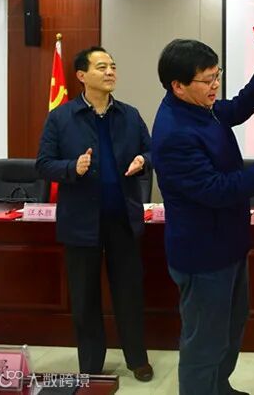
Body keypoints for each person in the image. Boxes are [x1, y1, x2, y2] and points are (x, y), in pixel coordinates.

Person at [151, 39, 254, 395]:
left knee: (230, 329)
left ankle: (220, 387)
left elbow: (237, 108)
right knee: (204, 343)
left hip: (228, 245)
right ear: (178, 85)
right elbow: (215, 189)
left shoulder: (201, 107)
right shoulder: (174, 132)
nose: (215, 86)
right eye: (207, 80)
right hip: (202, 256)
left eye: (217, 75)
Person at [36, 46, 154, 381]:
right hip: (81, 222)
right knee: (85, 297)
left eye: (113, 66)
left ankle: (137, 359)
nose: (110, 72)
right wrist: (72, 167)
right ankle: (90, 365)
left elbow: (153, 150)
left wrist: (144, 160)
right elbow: (43, 164)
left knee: (129, 293)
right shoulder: (61, 117)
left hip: (122, 219)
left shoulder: (129, 115)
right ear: (81, 75)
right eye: (101, 67)